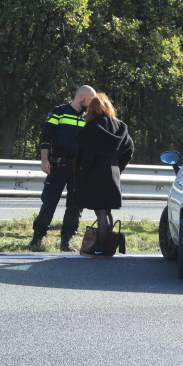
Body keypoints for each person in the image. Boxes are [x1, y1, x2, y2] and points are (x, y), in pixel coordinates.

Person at [29, 85, 97, 252]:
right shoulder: (59, 111)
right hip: (58, 165)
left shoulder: (89, 117)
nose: (92, 104)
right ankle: (37, 239)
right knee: (49, 202)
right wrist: (44, 160)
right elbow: (46, 136)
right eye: (91, 100)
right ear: (81, 97)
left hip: (78, 169)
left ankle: (66, 241)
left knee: (75, 206)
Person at [74, 93, 133, 257]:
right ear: (108, 108)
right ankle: (107, 247)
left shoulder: (91, 128)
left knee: (100, 212)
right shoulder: (120, 127)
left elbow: (87, 156)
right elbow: (129, 150)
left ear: (91, 110)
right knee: (107, 211)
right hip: (112, 174)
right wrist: (117, 167)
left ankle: (101, 248)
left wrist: (82, 173)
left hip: (95, 175)